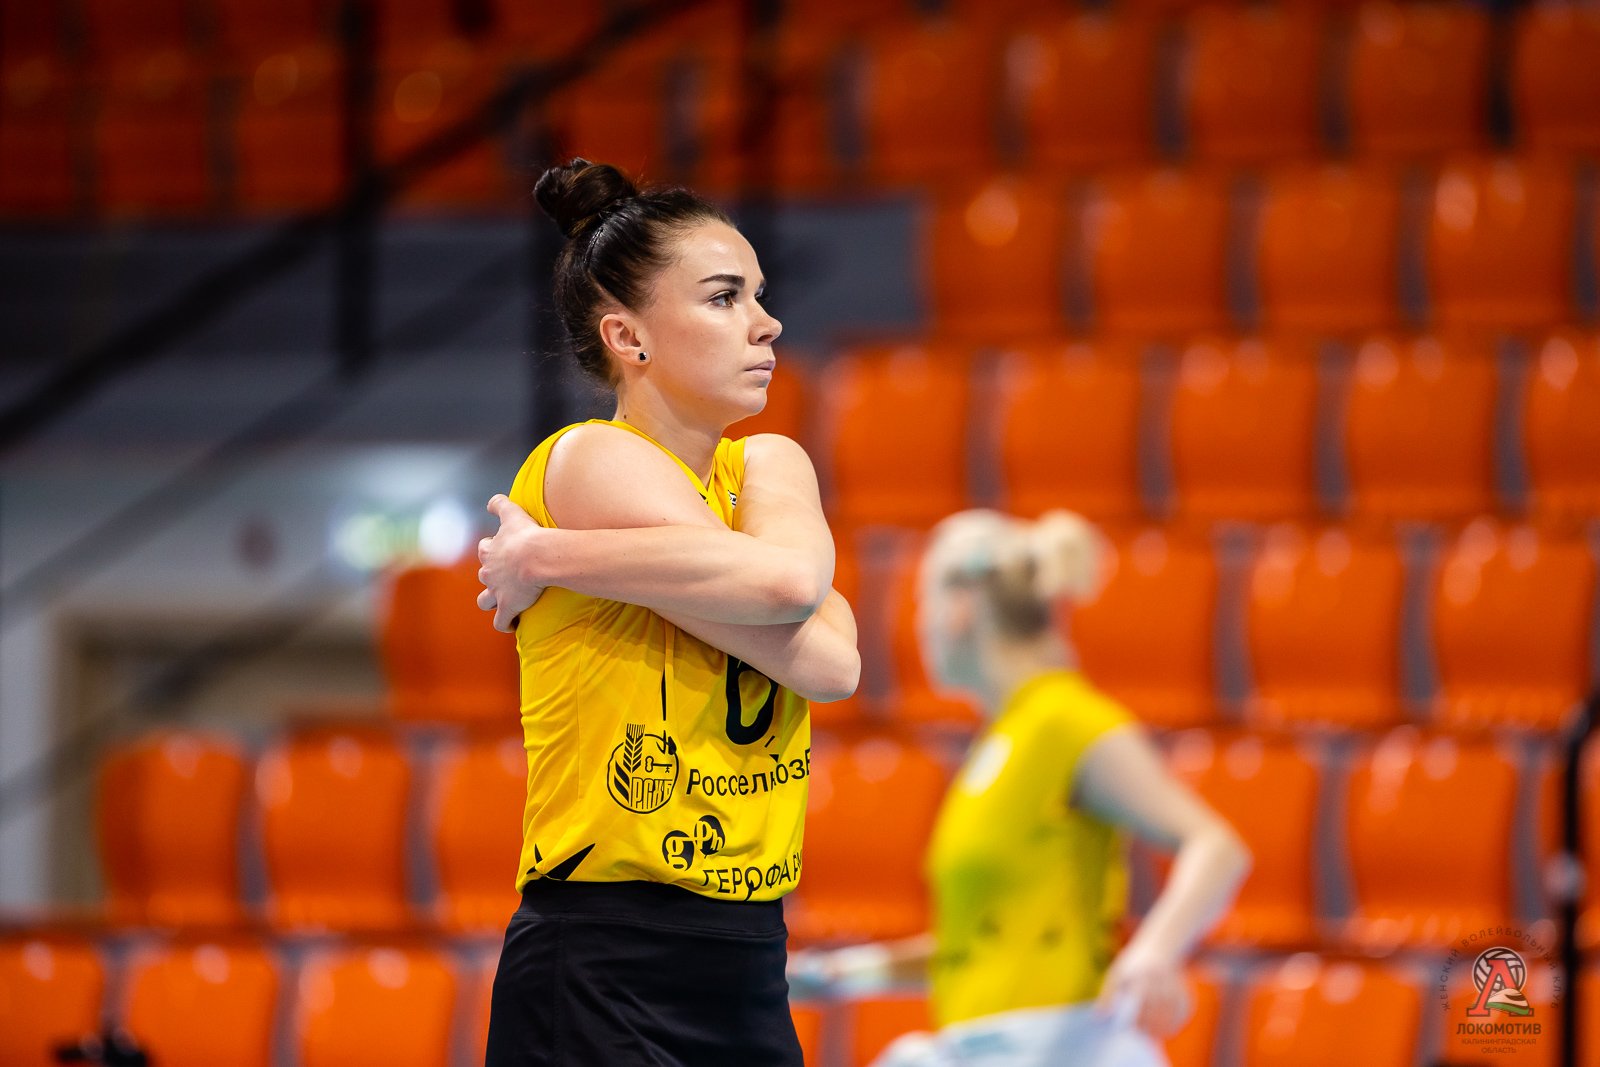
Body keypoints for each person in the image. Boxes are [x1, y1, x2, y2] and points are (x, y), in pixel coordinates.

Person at [472, 158, 859, 1067]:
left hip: (748, 949)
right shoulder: (587, 457)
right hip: (606, 947)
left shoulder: (769, 463)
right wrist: (760, 579)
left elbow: (833, 658)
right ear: (628, 336)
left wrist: (546, 557)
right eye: (724, 297)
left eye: (759, 295)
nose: (766, 322)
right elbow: (794, 606)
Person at [794, 510, 1249, 1067]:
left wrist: (1155, 951)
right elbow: (982, 948)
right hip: (986, 1046)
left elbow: (1216, 846)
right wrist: (838, 974)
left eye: (922, 603)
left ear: (961, 606)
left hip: (1063, 1047)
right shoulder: (999, 743)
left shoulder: (1063, 720)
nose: (919, 626)